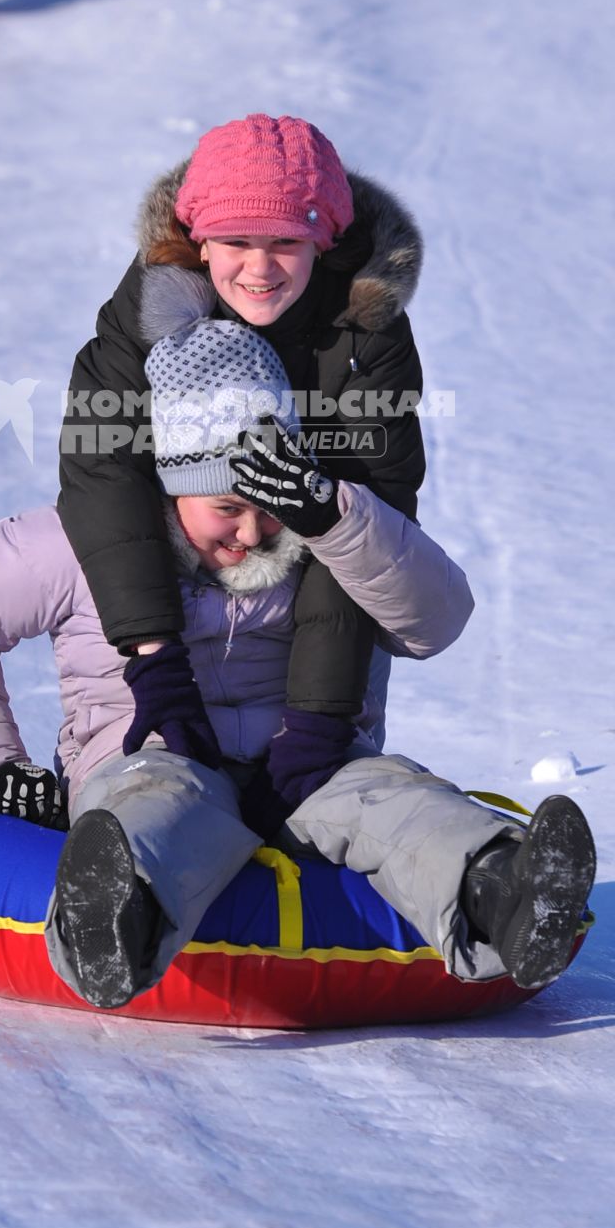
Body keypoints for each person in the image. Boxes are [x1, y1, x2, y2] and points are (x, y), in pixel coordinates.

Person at [0, 318, 596, 1012]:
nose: (253, 531)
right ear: (174, 483)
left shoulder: (322, 533)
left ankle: (504, 893)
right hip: (146, 755)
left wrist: (336, 521)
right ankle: (113, 921)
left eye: (271, 508)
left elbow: (437, 622)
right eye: (227, 508)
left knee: (390, 799)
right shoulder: (85, 544)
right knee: (157, 806)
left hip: (312, 762)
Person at [58, 111, 428, 785]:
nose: (259, 268)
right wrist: (155, 659)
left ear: (326, 241)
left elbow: (364, 517)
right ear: (199, 242)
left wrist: (317, 723)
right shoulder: (146, 314)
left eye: (287, 240)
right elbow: (102, 473)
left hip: (304, 615)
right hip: (183, 593)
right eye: (235, 239)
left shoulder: (367, 338)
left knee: (357, 536)